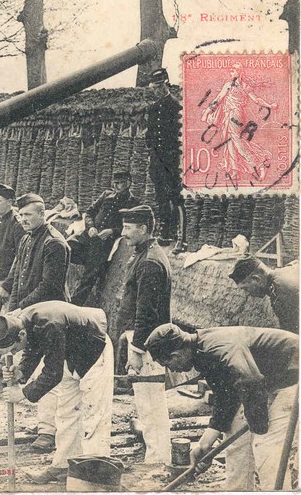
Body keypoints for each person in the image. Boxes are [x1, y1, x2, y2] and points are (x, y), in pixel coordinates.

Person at [146, 323, 299, 490]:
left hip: (292, 375)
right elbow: (226, 396)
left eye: (168, 364)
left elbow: (250, 381)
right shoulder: (201, 351)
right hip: (268, 381)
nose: (173, 370)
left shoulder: (219, 348)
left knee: (265, 446)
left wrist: (259, 427)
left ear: (175, 355)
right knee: (237, 438)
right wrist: (205, 444)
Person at [0, 301, 114, 484]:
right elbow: (33, 346)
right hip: (69, 354)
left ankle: (94, 475)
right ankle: (63, 467)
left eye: (14, 349)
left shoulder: (50, 324)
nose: (16, 352)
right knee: (66, 411)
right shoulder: (25, 320)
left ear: (20, 334)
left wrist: (23, 393)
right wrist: (21, 370)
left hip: (94, 354)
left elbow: (52, 373)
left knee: (93, 417)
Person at [1, 193, 69, 451]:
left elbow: (48, 287)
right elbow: (19, 275)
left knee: (49, 369)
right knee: (31, 363)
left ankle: (48, 432)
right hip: (30, 312)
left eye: (28, 215)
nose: (23, 219)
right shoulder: (27, 239)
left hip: (50, 314)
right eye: (20, 215)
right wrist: (13, 305)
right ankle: (44, 422)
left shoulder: (54, 244)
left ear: (42, 214)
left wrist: (21, 307)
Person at [119, 204, 172, 465]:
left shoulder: (150, 262)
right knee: (147, 403)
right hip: (144, 340)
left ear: (143, 229)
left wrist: (137, 349)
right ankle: (156, 455)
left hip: (148, 344)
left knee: (151, 404)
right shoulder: (145, 254)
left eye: (128, 228)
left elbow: (146, 312)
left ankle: (158, 460)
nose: (123, 233)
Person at [67, 170, 139, 306]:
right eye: (115, 183)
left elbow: (131, 227)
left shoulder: (133, 203)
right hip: (89, 235)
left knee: (89, 277)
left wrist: (112, 231)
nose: (117, 186)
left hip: (104, 242)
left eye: (120, 183)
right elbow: (89, 212)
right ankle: (98, 267)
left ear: (128, 183)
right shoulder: (106, 195)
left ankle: (74, 304)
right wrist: (91, 226)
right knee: (66, 248)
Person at [201, 61, 277, 182]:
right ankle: (234, 171)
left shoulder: (242, 86)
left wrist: (269, 105)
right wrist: (207, 112)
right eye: (230, 70)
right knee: (229, 142)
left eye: (233, 70)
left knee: (238, 142)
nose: (230, 72)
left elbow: (256, 100)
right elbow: (218, 100)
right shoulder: (229, 85)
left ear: (239, 72)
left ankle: (260, 165)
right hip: (228, 115)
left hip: (235, 115)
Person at [146, 68, 186, 251]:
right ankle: (165, 233)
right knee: (161, 196)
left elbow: (181, 136)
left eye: (160, 86)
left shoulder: (176, 106)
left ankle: (181, 238)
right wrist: (153, 156)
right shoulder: (153, 109)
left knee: (176, 197)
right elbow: (150, 135)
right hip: (157, 161)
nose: (157, 90)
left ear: (166, 84)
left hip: (172, 160)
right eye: (155, 87)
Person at [229, 254, 299, 333]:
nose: (247, 293)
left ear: (257, 279)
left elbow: (293, 335)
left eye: (246, 288)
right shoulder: (285, 271)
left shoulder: (280, 293)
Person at [0, 183, 24, 319]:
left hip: (10, 283)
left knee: (7, 323)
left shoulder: (17, 224)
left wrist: (7, 286)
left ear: (9, 202)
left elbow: (20, 258)